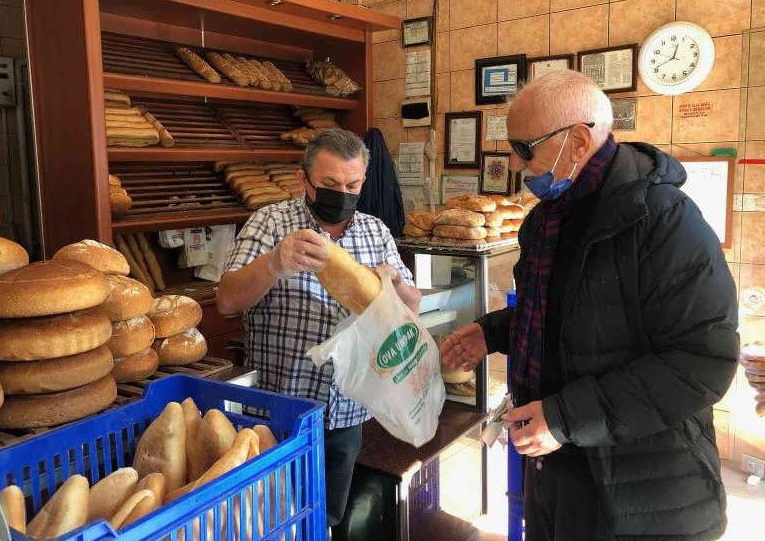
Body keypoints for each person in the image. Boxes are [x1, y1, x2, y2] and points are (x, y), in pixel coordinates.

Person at [441, 70, 739, 541]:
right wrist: (494, 332)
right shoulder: (546, 220)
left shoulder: (663, 220)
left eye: (524, 149)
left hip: (641, 492)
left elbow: (702, 361)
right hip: (557, 475)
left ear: (578, 141)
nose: (517, 166)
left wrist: (564, 419)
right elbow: (565, 312)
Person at [217, 129, 421, 535]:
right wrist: (275, 263)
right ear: (303, 180)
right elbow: (226, 300)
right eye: (329, 184)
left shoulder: (375, 231)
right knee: (270, 520)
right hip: (279, 410)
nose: (342, 193)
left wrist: (396, 289)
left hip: (346, 410)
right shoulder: (271, 222)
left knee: (325, 519)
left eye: (352, 185)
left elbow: (410, 308)